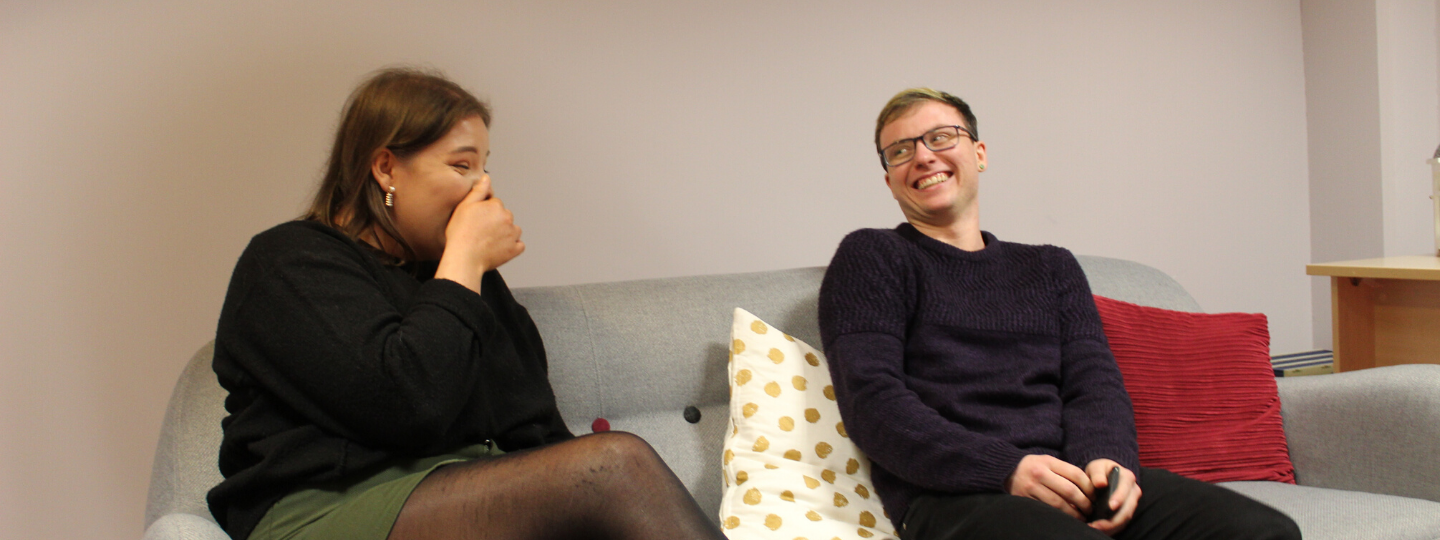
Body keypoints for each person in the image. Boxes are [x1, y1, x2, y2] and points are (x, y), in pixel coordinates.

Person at [208, 67, 726, 540]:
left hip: (463, 497)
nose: (484, 188)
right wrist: (464, 259)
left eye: (484, 169)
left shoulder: (468, 280)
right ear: (386, 168)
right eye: (462, 166)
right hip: (328, 507)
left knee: (605, 476)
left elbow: (535, 430)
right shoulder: (288, 261)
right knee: (615, 466)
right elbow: (408, 406)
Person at [817, 88, 1301, 540]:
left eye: (941, 137)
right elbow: (872, 402)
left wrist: (1107, 461)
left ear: (979, 154)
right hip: (953, 496)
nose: (923, 156)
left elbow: (1094, 381)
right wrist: (1005, 468)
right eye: (900, 151)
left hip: (1074, 477)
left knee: (1264, 531)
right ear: (890, 181)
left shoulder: (1051, 266)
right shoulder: (872, 256)